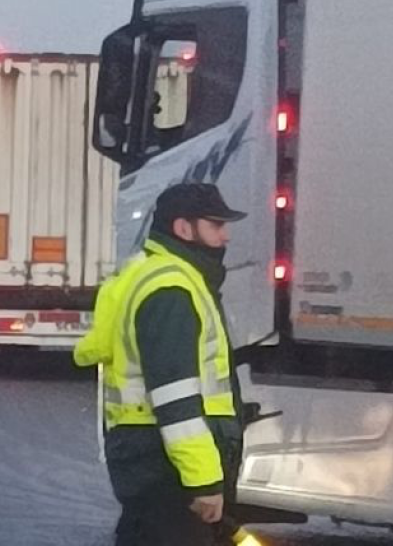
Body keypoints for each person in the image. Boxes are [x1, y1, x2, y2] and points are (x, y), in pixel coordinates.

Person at [75, 183, 247, 546]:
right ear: (184, 229)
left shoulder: (150, 273)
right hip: (167, 468)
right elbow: (175, 400)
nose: (226, 236)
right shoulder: (172, 290)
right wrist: (203, 481)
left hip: (148, 461)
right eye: (216, 225)